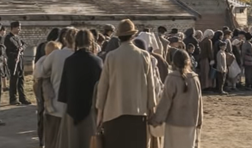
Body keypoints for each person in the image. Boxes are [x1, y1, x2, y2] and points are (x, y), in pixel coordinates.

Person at [96, 19, 157, 148]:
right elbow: (150, 86)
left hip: (113, 113)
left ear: (119, 36)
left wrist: (100, 113)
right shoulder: (144, 56)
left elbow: (103, 87)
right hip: (138, 112)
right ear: (133, 35)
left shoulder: (111, 56)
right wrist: (152, 109)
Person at [57, 30, 103, 148]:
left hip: (71, 110)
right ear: (91, 42)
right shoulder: (97, 61)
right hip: (91, 111)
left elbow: (63, 91)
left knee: (72, 141)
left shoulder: (69, 61)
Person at [150, 49, 203, 148]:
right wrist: (199, 121)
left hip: (173, 124)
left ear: (173, 62)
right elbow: (199, 103)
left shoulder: (172, 78)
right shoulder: (195, 79)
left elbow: (165, 102)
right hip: (190, 123)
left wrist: (157, 119)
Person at [42, 29, 78, 148]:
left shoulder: (55, 55)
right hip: (76, 109)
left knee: (53, 140)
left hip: (55, 104)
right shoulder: (82, 57)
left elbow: (40, 73)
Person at [34, 41, 61, 148]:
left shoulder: (44, 59)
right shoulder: (44, 60)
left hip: (41, 86)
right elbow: (39, 72)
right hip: (42, 85)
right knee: (47, 91)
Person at [5, 21, 31, 105]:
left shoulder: (17, 37)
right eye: (18, 27)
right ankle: (13, 99)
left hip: (20, 61)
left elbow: (25, 44)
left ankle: (22, 98)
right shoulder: (8, 38)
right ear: (13, 28)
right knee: (14, 80)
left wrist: (22, 48)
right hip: (13, 62)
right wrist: (15, 55)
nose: (20, 29)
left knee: (21, 80)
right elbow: (8, 52)